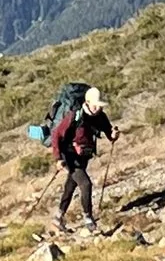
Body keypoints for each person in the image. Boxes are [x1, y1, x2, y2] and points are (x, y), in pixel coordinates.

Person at [49, 86, 117, 233]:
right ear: (87, 102)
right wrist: (58, 158)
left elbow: (109, 133)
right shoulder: (74, 116)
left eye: (100, 105)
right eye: (96, 104)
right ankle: (88, 219)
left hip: (84, 156)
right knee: (86, 184)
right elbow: (56, 135)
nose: (98, 107)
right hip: (70, 157)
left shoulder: (100, 117)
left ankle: (58, 217)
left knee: (71, 185)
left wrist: (114, 134)